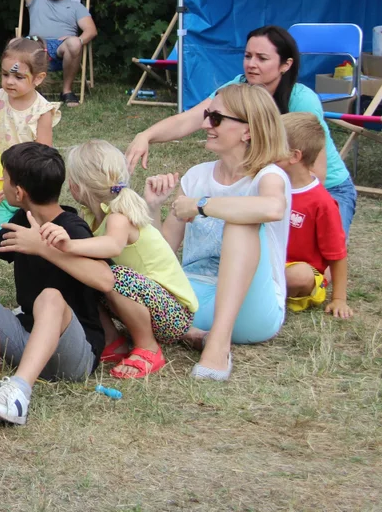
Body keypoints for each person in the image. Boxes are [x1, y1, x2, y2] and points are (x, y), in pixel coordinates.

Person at [126, 25, 356, 237]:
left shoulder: (302, 100)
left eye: (262, 58)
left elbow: (316, 175)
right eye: (248, 56)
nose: (251, 64)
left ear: (286, 64)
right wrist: (146, 136)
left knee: (311, 266)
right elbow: (190, 119)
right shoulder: (238, 88)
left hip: (323, 189)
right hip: (269, 183)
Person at [0, 143, 114, 425]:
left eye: (4, 178)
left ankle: (17, 392)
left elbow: (105, 279)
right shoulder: (22, 219)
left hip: (74, 356)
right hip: (26, 337)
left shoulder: (71, 227)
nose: (1, 182)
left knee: (50, 297)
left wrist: (45, 248)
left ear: (19, 192)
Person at [144, 84, 291, 381]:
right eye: (207, 115)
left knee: (242, 218)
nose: (205, 124)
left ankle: (218, 345)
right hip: (194, 299)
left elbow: (273, 207)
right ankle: (196, 336)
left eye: (216, 118)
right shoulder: (197, 176)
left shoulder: (268, 176)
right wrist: (153, 207)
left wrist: (202, 205)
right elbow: (162, 256)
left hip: (250, 309)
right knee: (119, 277)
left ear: (247, 131)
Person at [45, 141, 198, 379]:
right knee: (86, 273)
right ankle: (112, 340)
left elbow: (113, 244)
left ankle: (148, 347)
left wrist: (70, 245)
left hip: (174, 315)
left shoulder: (119, 214)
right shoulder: (90, 215)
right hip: (147, 304)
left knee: (113, 276)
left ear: (78, 187)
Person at [0, 36, 61, 236]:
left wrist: (21, 185)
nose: (9, 81)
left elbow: (42, 157)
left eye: (18, 77)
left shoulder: (42, 111)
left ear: (38, 78)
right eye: (5, 74)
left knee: (35, 240)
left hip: (32, 190)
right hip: (1, 184)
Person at [279, 113, 352, 318]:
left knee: (298, 275)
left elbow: (337, 253)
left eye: (273, 144)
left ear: (294, 156)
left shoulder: (322, 202)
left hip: (295, 268)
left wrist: (339, 299)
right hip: (268, 262)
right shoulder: (264, 183)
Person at [18, 0, 97, 106]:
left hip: (62, 49)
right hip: (37, 45)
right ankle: (32, 89)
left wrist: (77, 40)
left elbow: (91, 30)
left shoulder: (76, 7)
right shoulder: (36, 0)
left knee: (74, 43)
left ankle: (67, 92)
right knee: (17, 42)